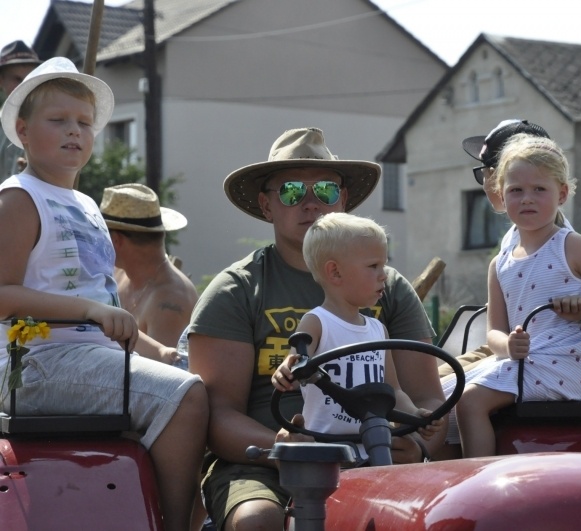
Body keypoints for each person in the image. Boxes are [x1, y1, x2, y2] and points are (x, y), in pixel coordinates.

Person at [188, 127, 445, 531]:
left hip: (374, 455)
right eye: (291, 191)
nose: (310, 204)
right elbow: (217, 416)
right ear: (266, 204)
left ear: (343, 200)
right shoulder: (236, 290)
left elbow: (427, 397)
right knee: (257, 521)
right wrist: (282, 445)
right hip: (265, 467)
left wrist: (416, 443)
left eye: (325, 190)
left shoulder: (388, 287)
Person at [0, 57, 208, 531]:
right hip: (36, 364)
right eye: (58, 121)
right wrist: (90, 311)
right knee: (189, 398)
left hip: (88, 359)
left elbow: (106, 304)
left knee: (203, 382)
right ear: (23, 130)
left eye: (84, 123)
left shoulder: (88, 204)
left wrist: (161, 351)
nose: (75, 131)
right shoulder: (18, 199)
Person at [453, 133, 581, 458]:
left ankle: (478, 478)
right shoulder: (500, 263)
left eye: (539, 189)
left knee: (470, 401)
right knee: (443, 394)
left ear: (562, 194)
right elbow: (495, 331)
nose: (527, 199)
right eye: (516, 190)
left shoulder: (570, 245)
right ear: (501, 194)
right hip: (526, 359)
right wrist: (507, 345)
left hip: (569, 360)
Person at [270, 212, 442, 460]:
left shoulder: (377, 330)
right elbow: (296, 362)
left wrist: (415, 415)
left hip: (373, 448)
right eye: (373, 266)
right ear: (335, 272)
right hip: (327, 451)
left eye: (383, 264)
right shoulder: (317, 322)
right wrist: (286, 371)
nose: (384, 274)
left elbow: (393, 391)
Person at [100, 183, 198, 365]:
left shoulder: (171, 301)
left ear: (116, 240)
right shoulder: (116, 273)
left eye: (100, 233)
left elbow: (161, 382)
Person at [0, 40, 41, 179]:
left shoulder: (50, 124)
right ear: (1, 80)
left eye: (30, 78)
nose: (24, 85)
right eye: (17, 79)